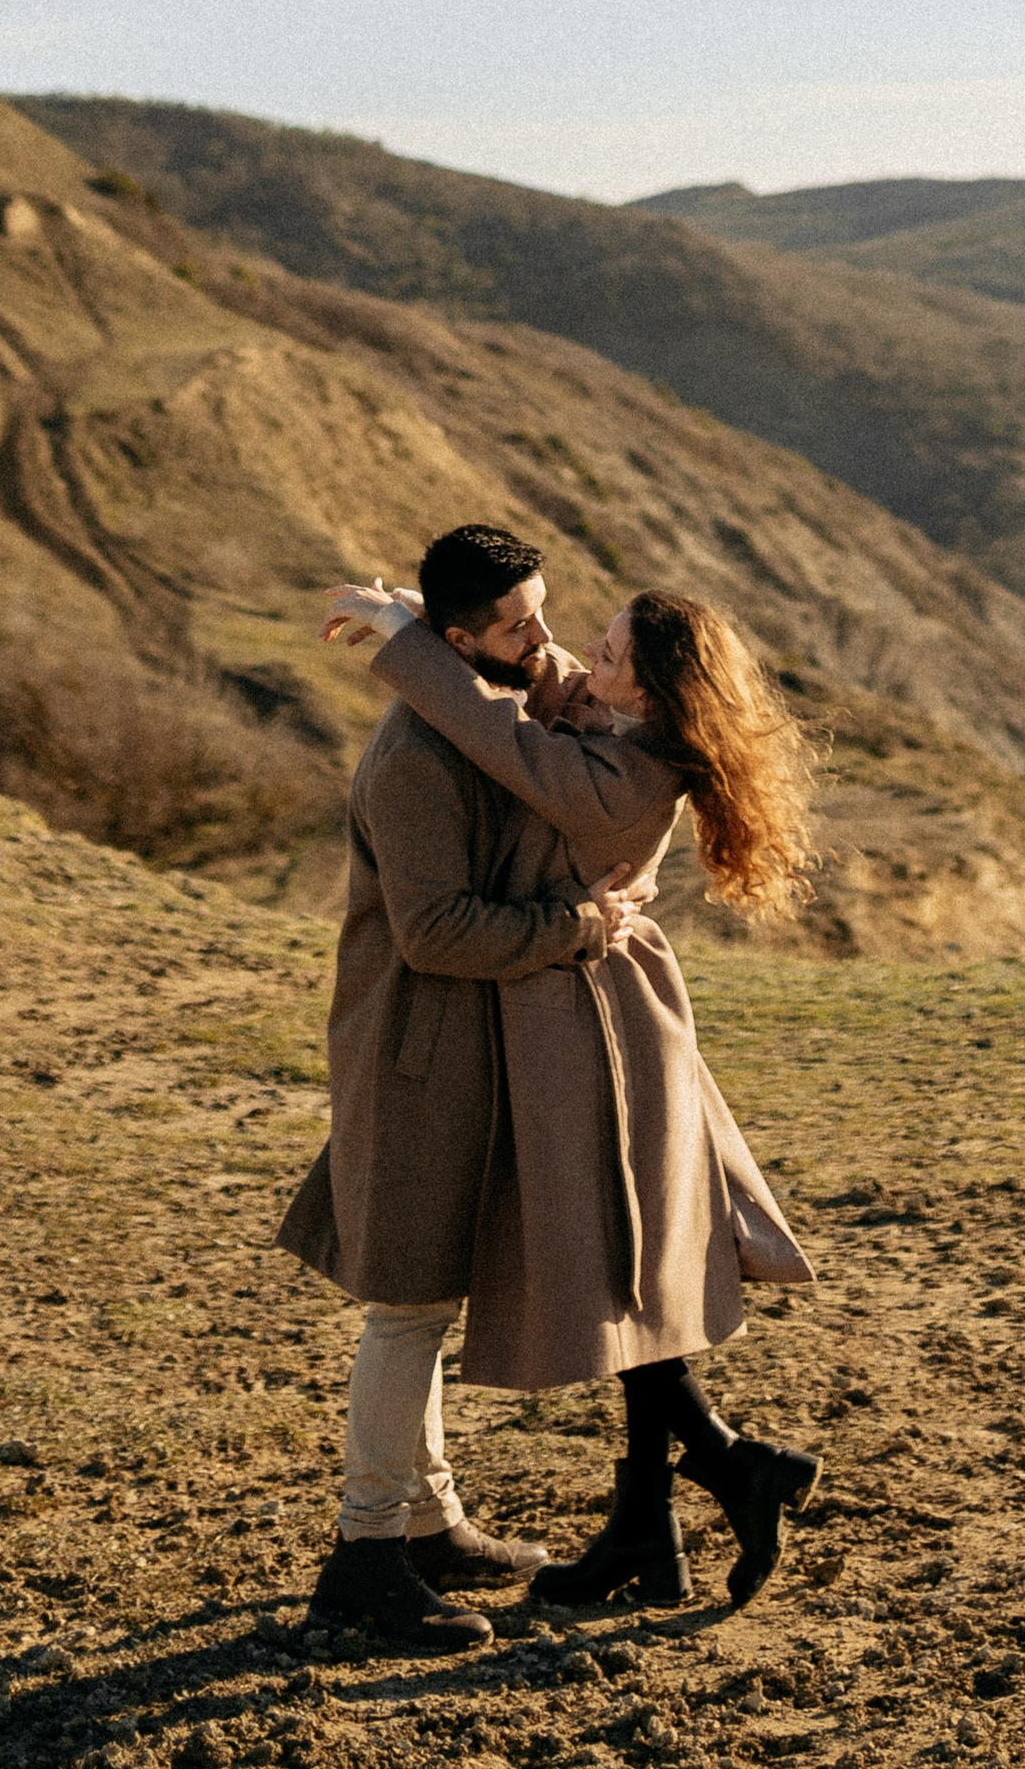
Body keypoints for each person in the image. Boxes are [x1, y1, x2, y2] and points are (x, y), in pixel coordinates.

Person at [324, 565, 822, 1612]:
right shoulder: (614, 729)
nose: (568, 657)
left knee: (624, 1267)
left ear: (650, 693)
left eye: (604, 655)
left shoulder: (619, 774)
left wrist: (403, 637)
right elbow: (533, 689)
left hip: (595, 1030)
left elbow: (505, 734)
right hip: (570, 1021)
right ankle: (674, 1509)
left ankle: (703, 1481)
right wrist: (431, 630)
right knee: (625, 1268)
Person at [277, 522, 644, 1655]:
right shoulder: (416, 761)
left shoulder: (488, 704)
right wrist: (581, 927)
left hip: (456, 1046)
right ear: (455, 641)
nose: (542, 643)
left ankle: (428, 1525)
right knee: (407, 1309)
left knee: (425, 1305)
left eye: (543, 611)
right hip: (415, 1052)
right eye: (515, 626)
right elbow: (434, 932)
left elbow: (552, 702)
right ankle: (363, 1563)